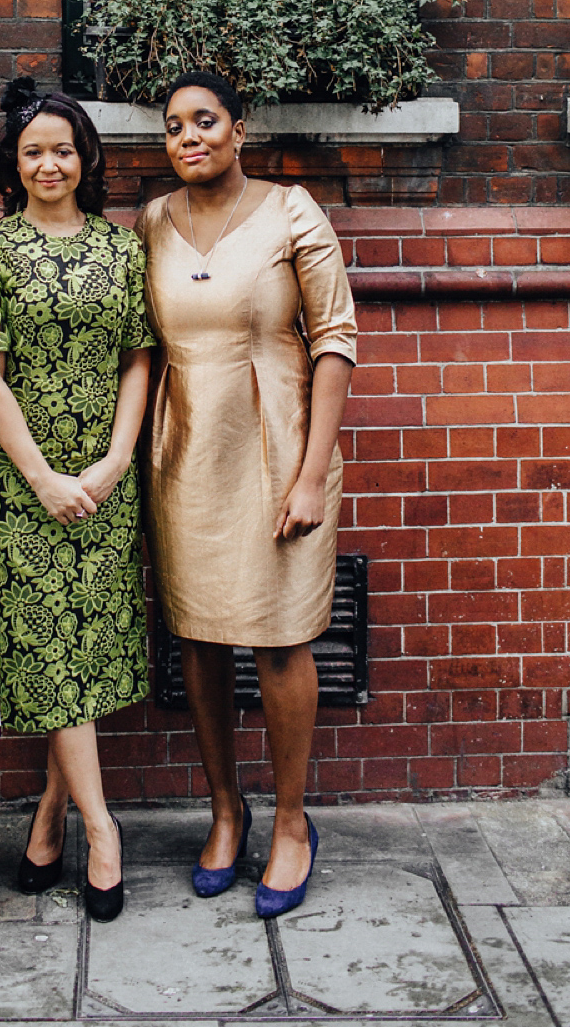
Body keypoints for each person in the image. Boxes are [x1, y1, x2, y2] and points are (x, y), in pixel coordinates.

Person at [136, 69, 357, 919]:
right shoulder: (153, 221)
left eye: (204, 121)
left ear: (238, 131)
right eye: (174, 127)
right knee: (197, 638)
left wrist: (310, 472)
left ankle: (294, 822)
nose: (189, 137)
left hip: (277, 446)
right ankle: (225, 811)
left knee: (276, 640)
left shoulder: (292, 210)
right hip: (185, 447)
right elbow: (138, 347)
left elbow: (334, 339)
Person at [0, 77, 153, 923]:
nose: (49, 163)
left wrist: (117, 459)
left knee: (89, 643)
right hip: (24, 481)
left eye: (63, 150)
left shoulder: (122, 250)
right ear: (15, 161)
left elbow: (139, 357)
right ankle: (101, 832)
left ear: (87, 161)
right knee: (51, 648)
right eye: (34, 150)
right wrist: (42, 476)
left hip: (108, 480)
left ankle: (47, 819)